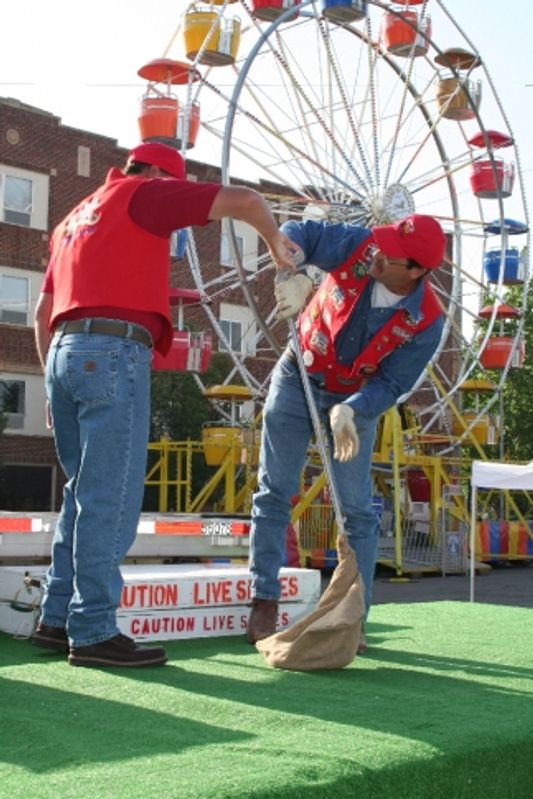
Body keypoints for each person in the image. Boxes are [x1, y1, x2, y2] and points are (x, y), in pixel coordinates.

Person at [32, 141, 297, 669]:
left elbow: (42, 310)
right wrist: (276, 244)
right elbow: (244, 201)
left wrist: (49, 382)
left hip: (64, 350)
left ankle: (55, 618)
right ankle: (92, 631)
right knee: (113, 496)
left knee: (82, 492)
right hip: (114, 350)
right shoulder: (146, 195)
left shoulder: (74, 217)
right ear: (158, 174)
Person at [246, 213, 447, 649]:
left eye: (390, 252)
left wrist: (352, 411)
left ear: (415, 271)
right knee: (274, 491)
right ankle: (263, 599)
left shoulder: (428, 322)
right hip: (298, 374)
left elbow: (393, 384)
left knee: (356, 511)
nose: (378, 251)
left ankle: (353, 617)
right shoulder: (360, 245)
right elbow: (301, 233)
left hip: (354, 404)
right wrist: (292, 271)